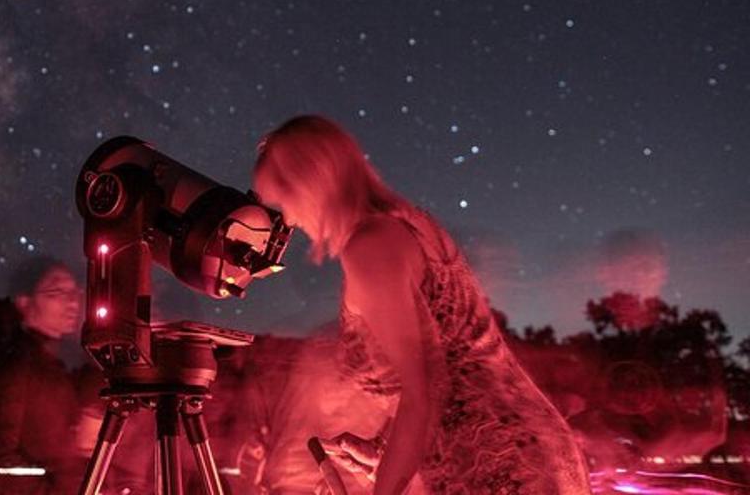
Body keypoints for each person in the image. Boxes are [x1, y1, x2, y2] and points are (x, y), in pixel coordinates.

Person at [252, 115, 591, 495]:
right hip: (521, 449)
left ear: (310, 183)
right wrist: (386, 452)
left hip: (492, 465)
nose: (289, 222)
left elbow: (424, 388)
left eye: (282, 204)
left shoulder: (370, 246)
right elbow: (443, 363)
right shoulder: (410, 225)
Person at [0, 256, 87, 495]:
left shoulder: (54, 368)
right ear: (24, 303)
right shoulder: (17, 368)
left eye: (74, 291)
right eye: (56, 292)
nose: (72, 301)